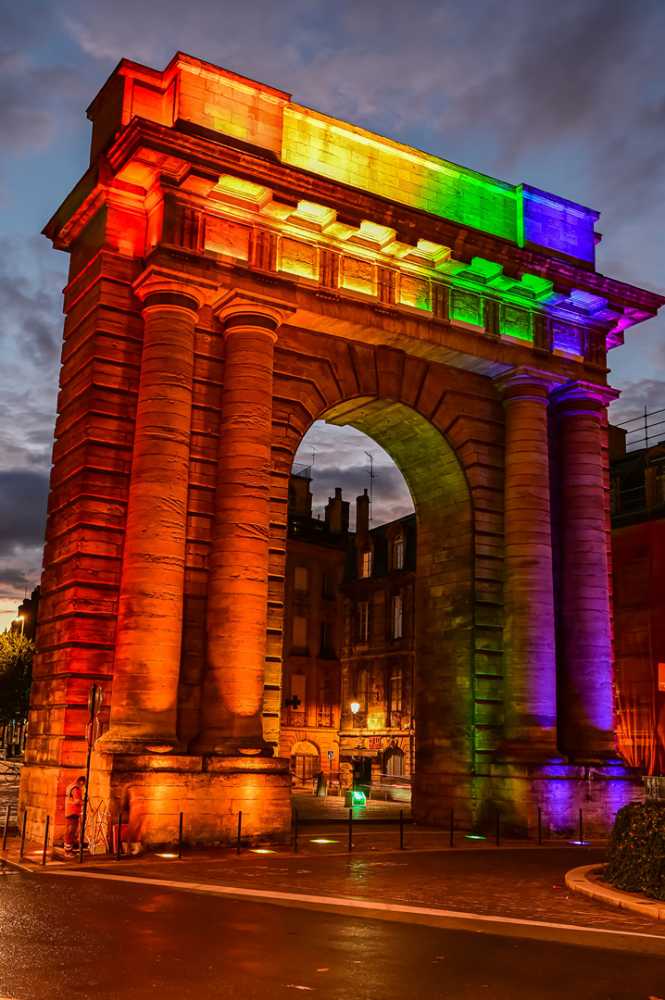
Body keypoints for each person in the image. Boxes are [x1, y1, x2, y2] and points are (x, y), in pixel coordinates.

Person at [64, 775, 86, 853]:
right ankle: (68, 851)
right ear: (81, 781)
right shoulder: (76, 789)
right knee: (71, 831)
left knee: (69, 830)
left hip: (69, 811)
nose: (83, 786)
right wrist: (84, 802)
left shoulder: (70, 786)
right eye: (83, 784)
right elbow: (77, 801)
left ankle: (68, 848)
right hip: (73, 812)